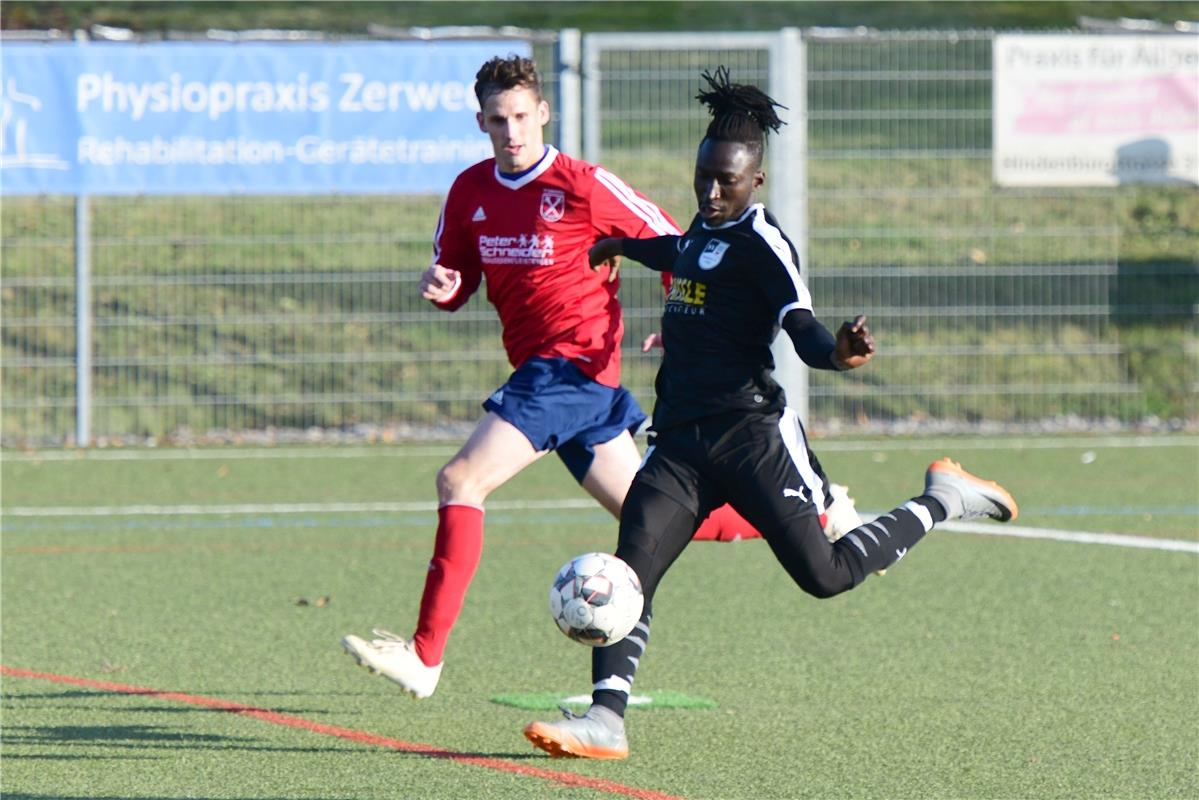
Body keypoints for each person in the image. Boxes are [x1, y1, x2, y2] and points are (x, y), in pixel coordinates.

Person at [522, 67, 1018, 760]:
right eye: (702, 177)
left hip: (751, 440)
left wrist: (838, 353)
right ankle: (606, 720)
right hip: (681, 447)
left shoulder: (764, 243)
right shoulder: (703, 227)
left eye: (725, 181)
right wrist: (621, 247)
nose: (710, 191)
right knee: (627, 573)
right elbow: (682, 251)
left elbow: (802, 326)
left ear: (755, 181)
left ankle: (941, 500)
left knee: (826, 577)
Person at [339, 56, 860, 700]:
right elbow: (459, 276)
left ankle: (424, 657)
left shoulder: (585, 184)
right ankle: (822, 510)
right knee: (668, 514)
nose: (512, 132)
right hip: (563, 386)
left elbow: (679, 242)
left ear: (543, 114)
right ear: (481, 121)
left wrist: (686, 318)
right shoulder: (469, 192)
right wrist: (443, 288)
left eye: (522, 117)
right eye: (498, 121)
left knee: (460, 479)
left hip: (572, 367)